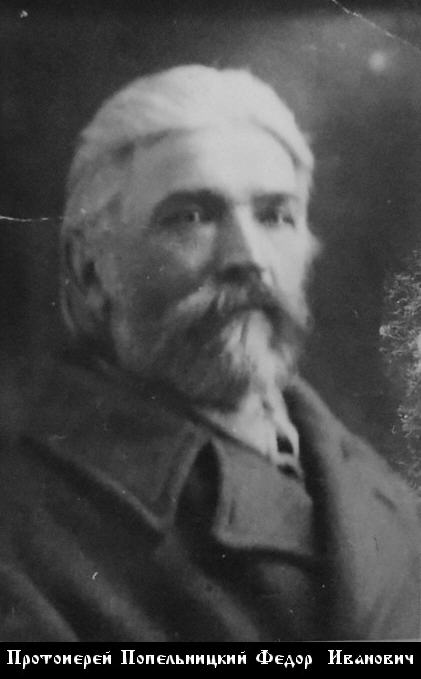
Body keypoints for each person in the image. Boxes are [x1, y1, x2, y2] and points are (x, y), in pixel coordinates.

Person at [0, 65, 419, 642]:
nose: (249, 258)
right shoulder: (24, 517)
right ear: (91, 270)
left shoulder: (375, 484)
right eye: (191, 217)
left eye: (275, 216)